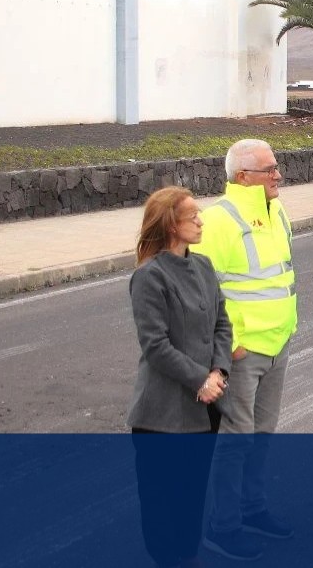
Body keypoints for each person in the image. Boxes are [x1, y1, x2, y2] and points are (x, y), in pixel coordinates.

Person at [189, 139, 297, 561]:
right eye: (269, 169)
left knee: (262, 435)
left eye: (276, 166)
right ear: (242, 177)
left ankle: (252, 509)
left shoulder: (278, 211)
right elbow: (200, 292)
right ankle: (224, 526)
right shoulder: (218, 220)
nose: (278, 174)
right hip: (242, 353)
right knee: (235, 441)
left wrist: (285, 330)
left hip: (277, 343)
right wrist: (228, 347)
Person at [127, 185, 231, 568]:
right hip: (162, 413)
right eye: (193, 216)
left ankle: (188, 554)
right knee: (161, 500)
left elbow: (222, 323)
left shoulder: (203, 266)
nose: (201, 221)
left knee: (192, 493)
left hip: (205, 409)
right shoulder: (149, 277)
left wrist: (218, 371)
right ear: (172, 225)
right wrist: (200, 379)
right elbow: (155, 345)